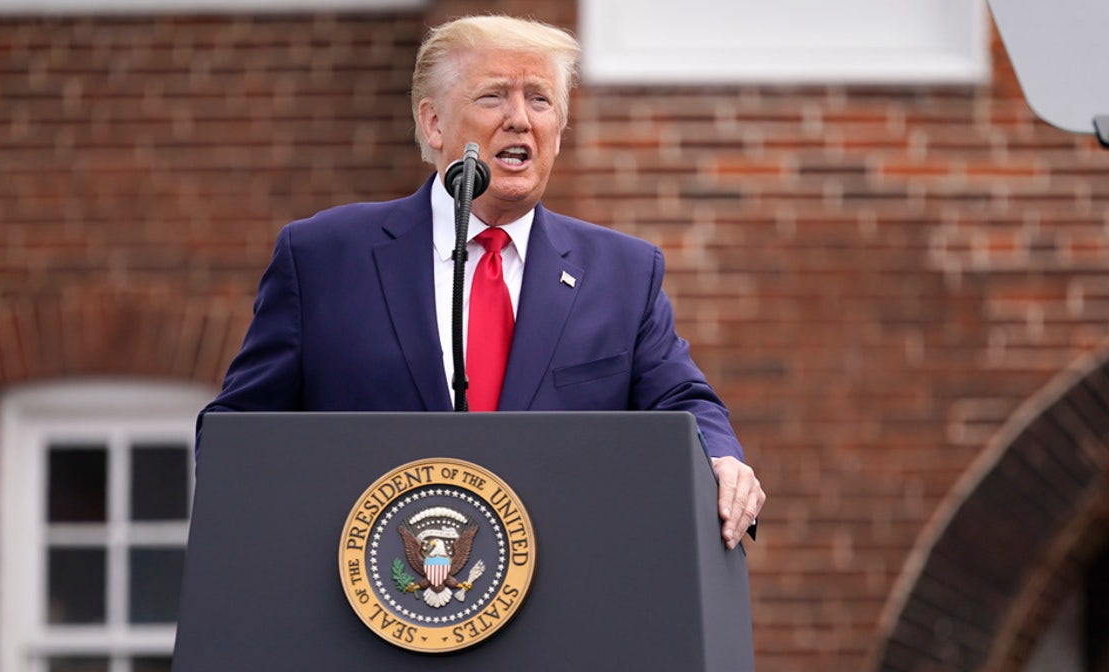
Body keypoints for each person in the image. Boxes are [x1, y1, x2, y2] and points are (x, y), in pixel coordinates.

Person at [198, 15, 765, 550]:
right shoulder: (323, 257)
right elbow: (237, 434)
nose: (519, 118)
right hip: (370, 604)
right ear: (434, 123)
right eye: (493, 95)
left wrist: (721, 459)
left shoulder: (623, 273)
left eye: (539, 99)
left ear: (558, 132)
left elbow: (682, 400)